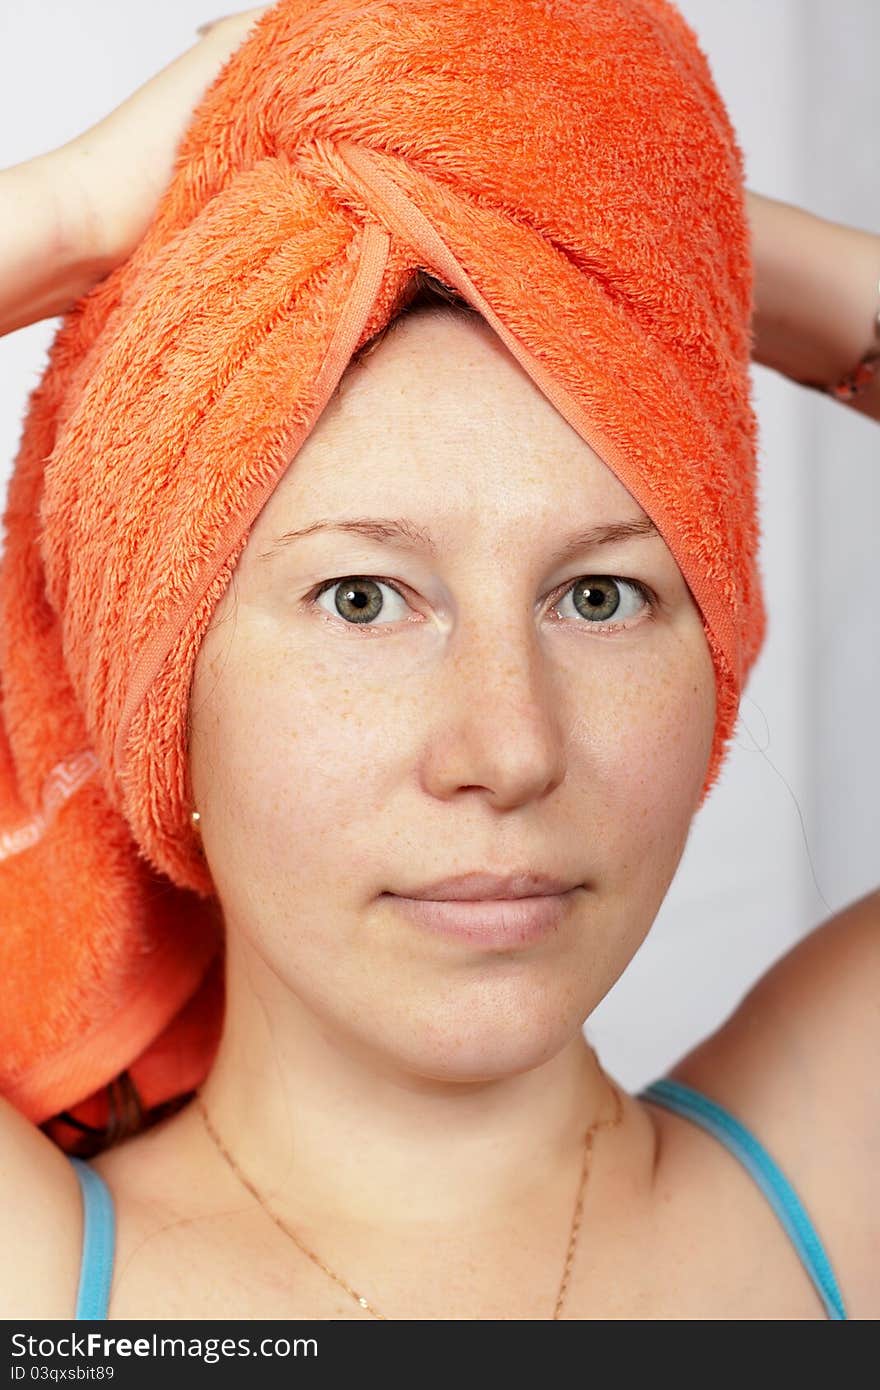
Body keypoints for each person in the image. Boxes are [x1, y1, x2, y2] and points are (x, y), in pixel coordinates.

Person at [0, 6, 877, 1322]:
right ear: (160, 709)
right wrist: (72, 212)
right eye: (362, 598)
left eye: (599, 594)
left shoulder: (840, 1183)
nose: (509, 748)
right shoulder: (39, 1289)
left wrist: (646, 207)